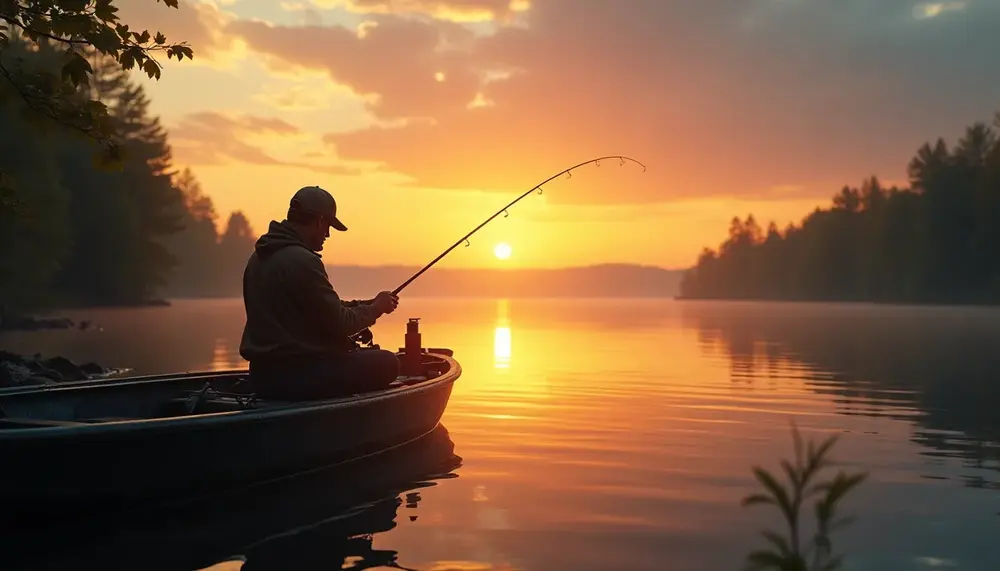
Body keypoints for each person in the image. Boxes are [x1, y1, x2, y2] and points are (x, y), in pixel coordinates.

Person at [239, 185, 401, 400]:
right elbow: (340, 324)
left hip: (262, 375)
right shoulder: (303, 260)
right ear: (319, 221)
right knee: (388, 363)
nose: (327, 234)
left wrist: (368, 304)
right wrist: (375, 310)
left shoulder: (259, 257)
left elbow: (316, 309)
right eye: (328, 226)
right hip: (298, 375)